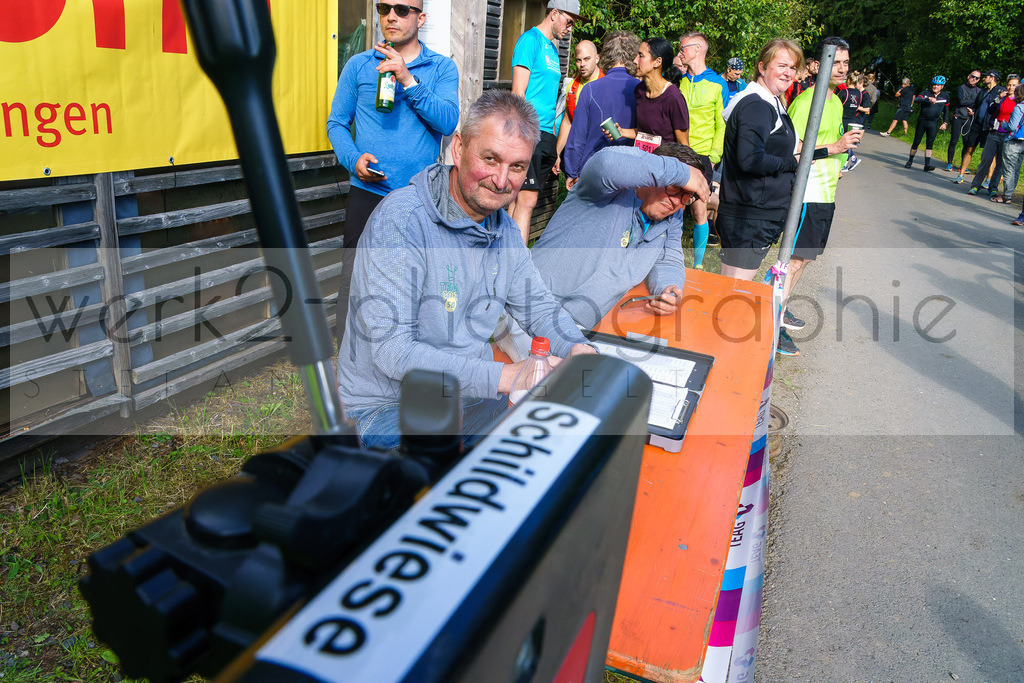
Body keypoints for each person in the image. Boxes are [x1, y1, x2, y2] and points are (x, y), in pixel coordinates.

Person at [336, 91, 596, 450]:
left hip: (469, 396)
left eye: (517, 166)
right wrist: (506, 375)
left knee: (563, 446)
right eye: (490, 158)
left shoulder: (502, 229)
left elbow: (538, 307)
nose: (502, 180)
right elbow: (393, 351)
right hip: (387, 408)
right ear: (458, 149)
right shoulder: (402, 220)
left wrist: (581, 350)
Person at [500, 144, 711, 360]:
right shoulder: (605, 189)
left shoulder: (671, 216)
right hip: (531, 313)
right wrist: (684, 173)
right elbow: (607, 162)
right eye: (673, 187)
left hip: (589, 328)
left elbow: (668, 258)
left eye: (687, 196)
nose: (676, 201)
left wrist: (669, 287)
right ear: (653, 176)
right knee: (560, 386)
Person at [327, 0, 459, 344]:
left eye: (402, 9)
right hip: (367, 192)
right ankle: (348, 368)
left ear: (421, 18)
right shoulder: (359, 65)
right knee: (354, 280)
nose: (391, 16)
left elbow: (447, 121)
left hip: (419, 198)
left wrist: (407, 78)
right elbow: (337, 123)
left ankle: (406, 358)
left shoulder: (441, 68)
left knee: (414, 282)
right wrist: (353, 158)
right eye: (384, 7)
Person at [782, 36, 862, 356]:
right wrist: (837, 149)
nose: (842, 69)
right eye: (835, 62)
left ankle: (780, 308)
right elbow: (792, 152)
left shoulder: (835, 101)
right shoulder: (805, 103)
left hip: (825, 191)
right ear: (816, 66)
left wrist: (842, 162)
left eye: (845, 63)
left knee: (802, 260)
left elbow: (833, 144)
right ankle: (771, 324)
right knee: (791, 261)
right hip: (807, 192)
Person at [716, 38, 803, 281]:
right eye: (782, 65)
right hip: (750, 215)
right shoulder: (757, 105)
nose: (788, 73)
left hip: (752, 213)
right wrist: (791, 163)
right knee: (734, 294)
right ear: (762, 67)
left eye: (793, 68)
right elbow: (750, 160)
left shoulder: (768, 101)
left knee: (730, 290)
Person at [508, 0, 583, 243]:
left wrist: (554, 146)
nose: (570, 28)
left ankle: (504, 254)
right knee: (526, 199)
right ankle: (518, 261)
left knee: (520, 199)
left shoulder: (552, 49)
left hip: (546, 136)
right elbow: (517, 93)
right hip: (528, 131)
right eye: (569, 21)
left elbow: (551, 98)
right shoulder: (530, 41)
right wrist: (521, 134)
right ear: (554, 14)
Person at [675, 32, 728, 265]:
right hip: (679, 152)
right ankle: (670, 257)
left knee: (699, 211)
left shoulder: (718, 84)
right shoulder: (681, 81)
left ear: (697, 49)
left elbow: (723, 124)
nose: (680, 51)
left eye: (683, 47)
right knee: (673, 207)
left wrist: (713, 156)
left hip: (703, 155)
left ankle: (697, 263)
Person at [563, 30, 641, 187]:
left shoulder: (590, 89)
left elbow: (577, 136)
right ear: (634, 56)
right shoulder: (642, 90)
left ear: (606, 55)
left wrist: (572, 171)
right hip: (631, 170)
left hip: (594, 170)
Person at [610, 37, 689, 146]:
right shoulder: (639, 91)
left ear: (657, 62)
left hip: (665, 161)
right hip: (643, 161)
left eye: (641, 56)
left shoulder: (673, 97)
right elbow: (646, 134)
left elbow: (684, 144)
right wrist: (621, 132)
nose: (635, 60)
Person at [553, 40, 603, 177]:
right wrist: (557, 153)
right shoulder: (572, 86)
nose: (582, 64)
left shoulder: (606, 83)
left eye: (587, 59)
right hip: (577, 154)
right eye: (578, 60)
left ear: (597, 58)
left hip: (599, 155)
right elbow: (568, 121)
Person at [969, 76, 1018, 200]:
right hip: (994, 133)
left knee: (1001, 164)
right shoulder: (1001, 98)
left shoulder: (1019, 102)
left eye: (1014, 85)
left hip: (1008, 136)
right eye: (1009, 85)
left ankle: (993, 188)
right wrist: (998, 99)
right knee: (986, 159)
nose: (1011, 88)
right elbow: (990, 110)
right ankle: (975, 185)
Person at [954, 70, 1006, 183]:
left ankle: (988, 179)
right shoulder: (982, 91)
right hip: (977, 125)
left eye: (985, 76)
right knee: (969, 148)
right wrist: (973, 111)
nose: (983, 78)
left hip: (989, 127)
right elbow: (977, 105)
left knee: (991, 154)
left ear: (992, 78)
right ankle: (961, 175)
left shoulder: (1001, 91)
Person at [904, 75, 949, 171]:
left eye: (938, 85)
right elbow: (916, 100)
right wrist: (928, 99)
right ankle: (910, 161)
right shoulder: (926, 93)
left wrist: (945, 122)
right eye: (934, 85)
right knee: (916, 141)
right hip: (922, 121)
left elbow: (946, 110)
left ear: (942, 87)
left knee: (930, 143)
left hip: (933, 122)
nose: (935, 87)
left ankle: (927, 165)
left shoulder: (945, 96)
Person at [945, 70, 983, 172]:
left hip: (969, 119)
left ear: (979, 80)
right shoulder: (961, 88)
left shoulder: (979, 91)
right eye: (972, 76)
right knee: (954, 141)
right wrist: (974, 102)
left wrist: (973, 110)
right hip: (958, 116)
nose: (973, 79)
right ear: (968, 76)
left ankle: (963, 166)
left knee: (967, 143)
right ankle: (949, 163)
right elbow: (961, 101)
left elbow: (979, 105)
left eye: (976, 78)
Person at [998, 83, 1024, 206]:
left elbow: (1012, 126)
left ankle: (1006, 196)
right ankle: (1010, 193)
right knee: (1017, 169)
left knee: (1009, 169)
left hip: (1014, 141)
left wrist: (1004, 124)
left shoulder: (1019, 107)